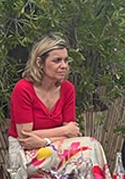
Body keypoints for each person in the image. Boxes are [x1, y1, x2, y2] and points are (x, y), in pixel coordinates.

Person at [8, 34, 106, 168]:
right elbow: (25, 137)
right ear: (39, 63)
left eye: (66, 60)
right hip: (25, 154)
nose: (64, 66)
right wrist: (63, 130)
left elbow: (71, 134)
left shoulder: (67, 89)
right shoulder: (23, 89)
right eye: (57, 60)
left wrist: (45, 141)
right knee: (88, 150)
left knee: (91, 147)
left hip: (53, 147)